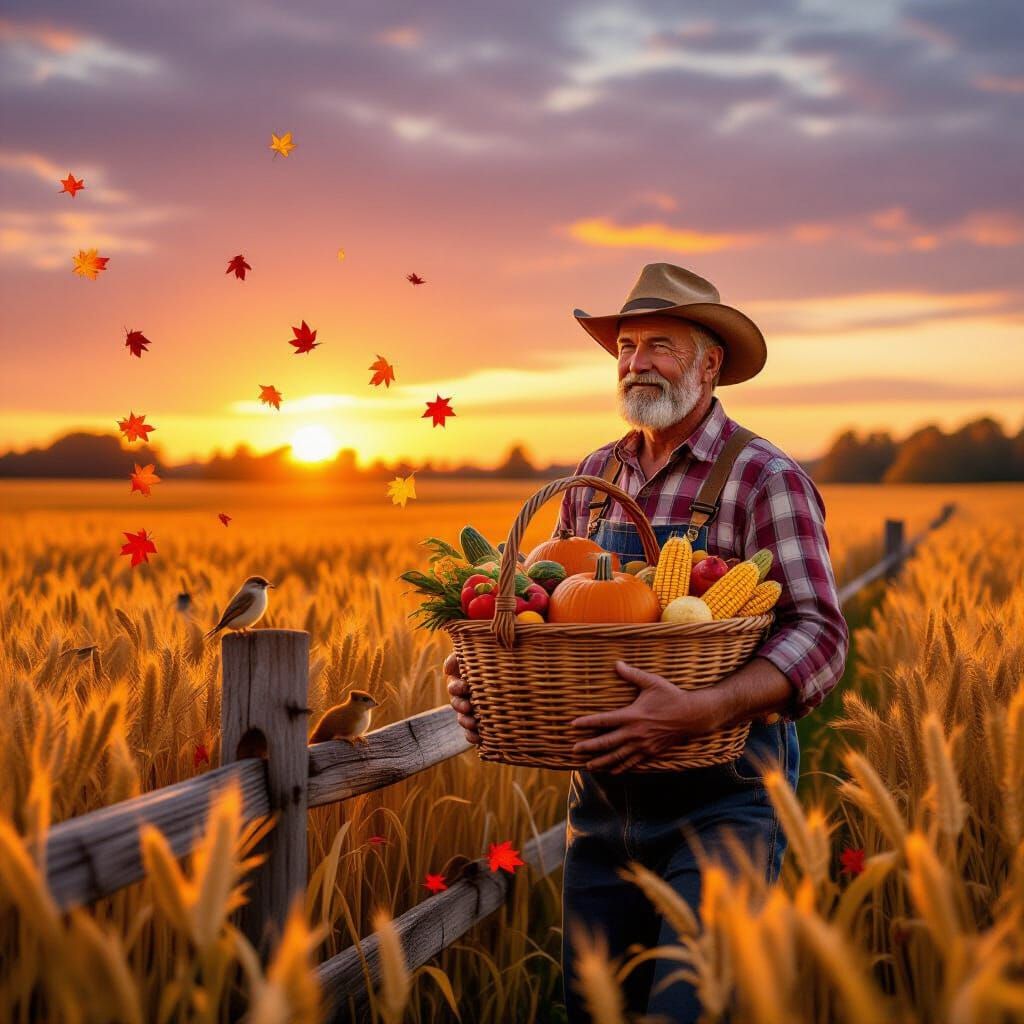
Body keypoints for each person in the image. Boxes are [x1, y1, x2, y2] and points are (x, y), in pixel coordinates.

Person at [444, 263, 849, 1023]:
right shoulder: (595, 475)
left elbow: (821, 636)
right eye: (626, 345)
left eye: (660, 344)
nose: (635, 362)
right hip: (600, 804)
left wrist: (705, 707)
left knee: (687, 1010)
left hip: (723, 803)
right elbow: (547, 613)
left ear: (710, 363)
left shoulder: (765, 478)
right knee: (596, 1009)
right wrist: (489, 678)